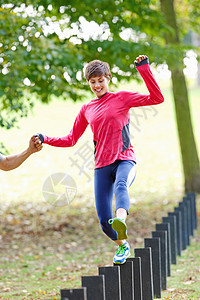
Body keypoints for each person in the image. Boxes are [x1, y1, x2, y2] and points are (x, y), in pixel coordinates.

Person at [35, 55, 164, 264]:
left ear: (108, 78)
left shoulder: (122, 98)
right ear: (89, 83)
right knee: (104, 222)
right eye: (92, 82)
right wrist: (45, 138)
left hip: (125, 159)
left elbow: (157, 98)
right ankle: (122, 245)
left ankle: (121, 219)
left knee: (122, 185)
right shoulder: (87, 109)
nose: (97, 85)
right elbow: (70, 139)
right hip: (101, 166)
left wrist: (144, 69)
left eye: (100, 80)